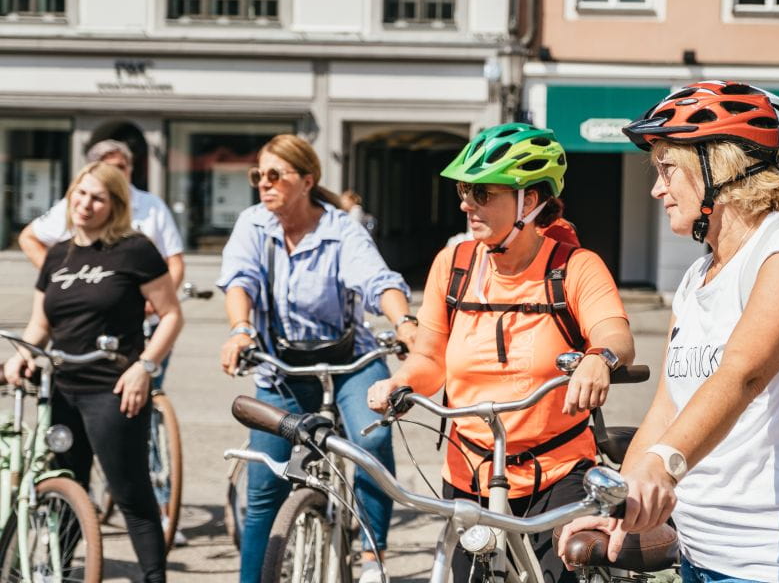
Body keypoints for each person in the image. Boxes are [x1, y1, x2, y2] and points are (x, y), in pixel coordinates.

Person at [558, 81, 779, 582]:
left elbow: (741, 374)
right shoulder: (697, 277)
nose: (656, 188)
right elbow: (667, 406)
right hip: (701, 555)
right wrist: (621, 494)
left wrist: (662, 468)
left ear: (720, 168)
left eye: (667, 169)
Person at [367, 122, 635, 583]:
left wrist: (599, 358)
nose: (465, 203)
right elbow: (429, 358)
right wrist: (400, 383)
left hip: (556, 470)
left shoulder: (574, 266)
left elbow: (616, 335)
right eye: (463, 191)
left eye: (481, 192)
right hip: (469, 470)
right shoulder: (451, 265)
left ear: (529, 201)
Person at [217, 134, 417, 583]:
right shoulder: (253, 224)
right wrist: (240, 331)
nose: (263, 184)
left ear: (307, 180)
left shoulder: (340, 227)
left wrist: (404, 323)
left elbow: (373, 278)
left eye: (274, 175)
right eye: (257, 176)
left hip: (350, 359)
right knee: (265, 483)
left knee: (369, 442)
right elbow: (240, 281)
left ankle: (371, 559)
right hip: (279, 363)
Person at [3, 161, 183, 583]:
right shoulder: (57, 255)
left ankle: (155, 578)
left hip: (114, 389)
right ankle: (61, 574)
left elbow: (172, 315)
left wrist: (145, 367)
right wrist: (20, 355)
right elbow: (40, 325)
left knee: (131, 493)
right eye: (80, 194)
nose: (86, 204)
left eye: (98, 197)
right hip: (62, 389)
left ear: (115, 204)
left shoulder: (135, 249)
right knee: (67, 487)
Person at [19, 139, 185, 290]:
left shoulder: (152, 207)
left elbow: (174, 261)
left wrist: (159, 302)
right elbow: (29, 237)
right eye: (108, 168)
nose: (86, 205)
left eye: (121, 167)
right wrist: (59, 277)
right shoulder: (76, 204)